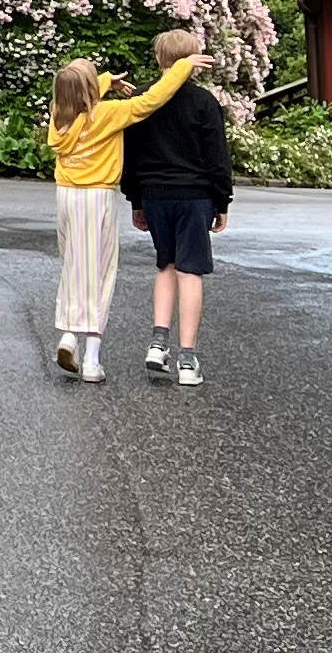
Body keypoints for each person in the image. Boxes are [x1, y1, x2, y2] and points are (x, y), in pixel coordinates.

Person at [42, 41, 200, 383]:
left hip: (66, 195)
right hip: (96, 196)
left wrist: (103, 81)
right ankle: (92, 360)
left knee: (73, 265)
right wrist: (182, 68)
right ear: (90, 90)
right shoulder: (108, 114)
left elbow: (77, 93)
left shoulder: (60, 117)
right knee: (100, 272)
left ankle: (69, 334)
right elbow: (151, 100)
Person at [118, 25, 233, 386]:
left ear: (158, 59)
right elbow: (217, 157)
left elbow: (130, 154)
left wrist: (136, 199)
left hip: (154, 194)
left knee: (165, 266)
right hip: (194, 195)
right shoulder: (204, 103)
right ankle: (187, 359)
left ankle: (157, 343)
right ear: (194, 61)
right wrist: (222, 200)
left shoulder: (141, 99)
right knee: (190, 271)